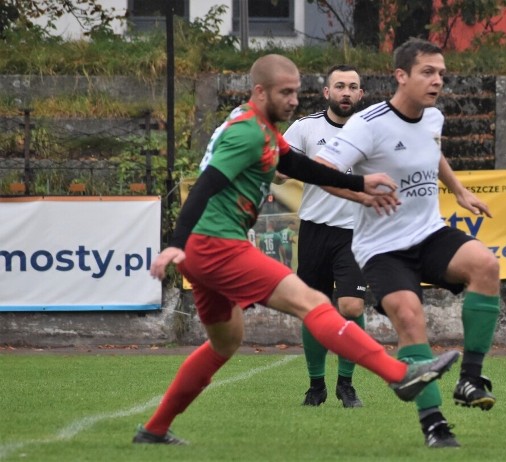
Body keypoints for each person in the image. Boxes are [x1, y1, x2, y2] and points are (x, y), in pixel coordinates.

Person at [132, 54, 459, 446]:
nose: (292, 100)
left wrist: (359, 183)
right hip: (216, 244)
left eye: (295, 92)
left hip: (208, 248)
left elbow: (305, 168)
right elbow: (205, 186)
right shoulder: (248, 133)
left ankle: (153, 429)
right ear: (259, 91)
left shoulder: (264, 129)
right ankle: (399, 375)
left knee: (225, 342)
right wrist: (174, 245)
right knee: (312, 303)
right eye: (284, 92)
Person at [315, 39, 501, 448]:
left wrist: (459, 190)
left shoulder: (433, 117)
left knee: (485, 265)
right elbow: (322, 170)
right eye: (428, 72)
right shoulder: (368, 123)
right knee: (411, 317)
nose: (437, 81)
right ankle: (435, 425)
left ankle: (470, 379)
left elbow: (431, 153)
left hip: (428, 232)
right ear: (401, 76)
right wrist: (361, 194)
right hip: (382, 247)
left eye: (441, 74)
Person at [283, 64, 369, 408]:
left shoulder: (373, 130)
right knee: (314, 309)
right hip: (315, 230)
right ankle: (315, 385)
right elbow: (279, 166)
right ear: (327, 92)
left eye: (353, 87)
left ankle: (345, 384)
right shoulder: (305, 128)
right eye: (340, 86)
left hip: (356, 232)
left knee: (351, 305)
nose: (346, 92)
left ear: (361, 94)